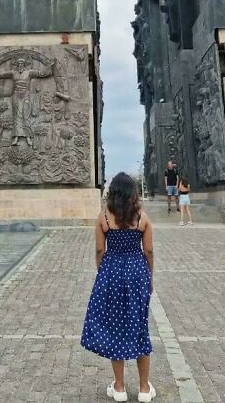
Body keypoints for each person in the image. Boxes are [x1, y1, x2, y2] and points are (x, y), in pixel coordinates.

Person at [81, 172, 156, 402]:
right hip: (136, 274)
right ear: (133, 193)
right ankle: (144, 389)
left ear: (112, 193)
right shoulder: (142, 218)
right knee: (140, 327)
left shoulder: (104, 218)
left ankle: (120, 387)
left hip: (112, 273)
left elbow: (99, 250)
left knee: (115, 328)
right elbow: (149, 251)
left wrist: (102, 272)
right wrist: (149, 276)